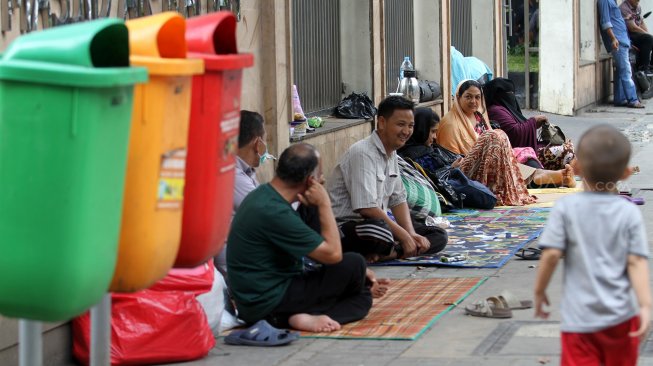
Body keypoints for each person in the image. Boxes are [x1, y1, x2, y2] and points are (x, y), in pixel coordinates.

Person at [534, 124, 651, 365]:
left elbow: (551, 255)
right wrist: (646, 305)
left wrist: (540, 291)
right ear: (627, 173)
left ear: (576, 168)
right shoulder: (628, 213)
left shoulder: (566, 209)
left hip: (580, 322)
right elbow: (636, 262)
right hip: (623, 320)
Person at [227, 143, 373, 332]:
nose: (322, 180)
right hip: (267, 302)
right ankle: (288, 319)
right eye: (320, 175)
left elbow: (312, 257)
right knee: (355, 264)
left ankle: (297, 317)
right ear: (310, 180)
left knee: (361, 294)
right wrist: (324, 204)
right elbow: (333, 255)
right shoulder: (274, 211)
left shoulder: (263, 196)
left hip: (260, 298)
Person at [328, 96, 448, 261]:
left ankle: (391, 253)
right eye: (400, 124)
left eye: (410, 126)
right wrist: (404, 236)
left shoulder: (391, 153)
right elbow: (367, 209)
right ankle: (392, 249)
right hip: (349, 228)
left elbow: (398, 199)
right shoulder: (363, 152)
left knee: (438, 234)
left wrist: (411, 233)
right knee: (378, 231)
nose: (406, 131)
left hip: (380, 224)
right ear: (382, 122)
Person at [436, 80, 575, 206]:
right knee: (495, 138)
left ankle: (556, 177)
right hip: (465, 169)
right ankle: (548, 177)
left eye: (477, 97)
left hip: (487, 160)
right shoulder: (450, 123)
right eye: (468, 97)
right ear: (458, 97)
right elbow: (452, 159)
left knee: (506, 147)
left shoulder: (478, 116)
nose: (473, 101)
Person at [397, 107, 497, 210]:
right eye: (432, 132)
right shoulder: (416, 155)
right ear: (421, 129)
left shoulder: (425, 149)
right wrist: (451, 169)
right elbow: (431, 179)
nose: (435, 137)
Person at [484, 78, 576, 171]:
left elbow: (519, 126)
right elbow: (514, 133)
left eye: (512, 93)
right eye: (509, 93)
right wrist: (533, 122)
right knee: (567, 151)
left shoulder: (505, 109)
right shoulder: (496, 111)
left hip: (529, 148)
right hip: (518, 153)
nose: (512, 96)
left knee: (568, 145)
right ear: (498, 95)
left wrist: (534, 124)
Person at [598, 0, 645, 108]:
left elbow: (615, 20)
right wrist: (613, 39)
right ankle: (633, 99)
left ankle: (620, 99)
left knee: (621, 71)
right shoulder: (605, 1)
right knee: (626, 71)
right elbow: (605, 21)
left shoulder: (612, 1)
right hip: (618, 41)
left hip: (623, 40)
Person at [620, 0, 653, 73]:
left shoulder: (638, 7)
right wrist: (648, 36)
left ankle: (651, 66)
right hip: (629, 34)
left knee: (650, 38)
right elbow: (632, 27)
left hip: (637, 32)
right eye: (636, 0)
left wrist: (648, 34)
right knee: (648, 39)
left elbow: (641, 23)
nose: (638, 1)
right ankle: (644, 67)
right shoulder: (624, 8)